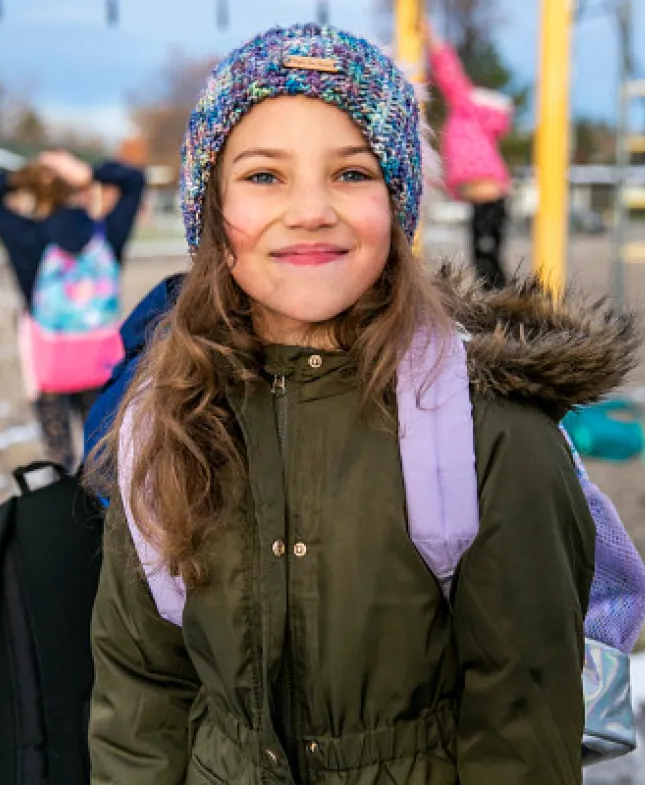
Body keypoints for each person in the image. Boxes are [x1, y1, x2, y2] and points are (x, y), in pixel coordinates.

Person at [85, 23, 637, 785]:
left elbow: (519, 726)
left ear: (399, 202)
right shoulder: (163, 426)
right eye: (263, 176)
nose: (310, 209)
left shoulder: (494, 438)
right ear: (210, 211)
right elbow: (140, 693)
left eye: (350, 173)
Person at [0, 150, 145, 470]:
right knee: (103, 453)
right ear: (81, 188)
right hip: (102, 363)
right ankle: (104, 513)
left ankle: (61, 505)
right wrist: (89, 172)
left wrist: (28, 173)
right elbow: (135, 181)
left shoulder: (26, 237)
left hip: (49, 364)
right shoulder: (107, 234)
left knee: (59, 456)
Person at [422, 20, 513, 290]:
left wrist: (431, 37)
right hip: (486, 199)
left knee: (486, 260)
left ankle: (499, 303)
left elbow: (449, 73)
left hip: (488, 200)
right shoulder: (479, 127)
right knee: (485, 258)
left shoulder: (467, 110)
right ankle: (497, 298)